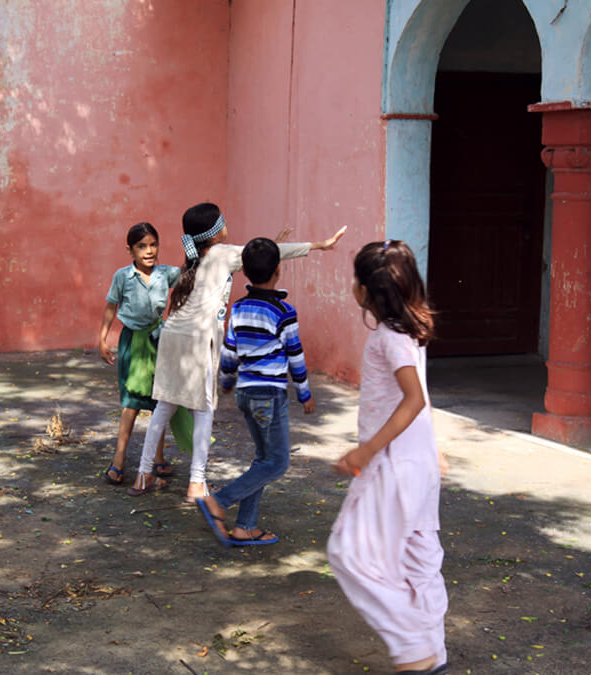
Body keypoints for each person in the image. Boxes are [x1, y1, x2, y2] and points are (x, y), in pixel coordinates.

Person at [127, 202, 345, 502]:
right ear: (216, 232)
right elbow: (264, 257)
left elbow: (260, 255)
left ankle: (142, 474)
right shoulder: (223, 252)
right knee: (203, 412)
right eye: (222, 221)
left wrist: (275, 243)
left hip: (172, 336)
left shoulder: (195, 259)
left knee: (163, 408)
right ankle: (196, 483)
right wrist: (319, 245)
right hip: (197, 341)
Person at [326, 240, 449, 675]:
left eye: (356, 279)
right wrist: (432, 449)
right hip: (417, 466)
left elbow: (413, 399)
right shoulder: (411, 332)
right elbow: (422, 399)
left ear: (366, 292)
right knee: (419, 557)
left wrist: (365, 451)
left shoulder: (388, 338)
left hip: (393, 468)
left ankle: (414, 649)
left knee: (348, 553)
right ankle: (434, 653)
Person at [195, 237, 316, 547]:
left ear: (245, 272)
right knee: (277, 463)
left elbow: (230, 348)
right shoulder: (284, 312)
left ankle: (244, 527)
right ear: (278, 270)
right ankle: (219, 501)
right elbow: (295, 355)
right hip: (270, 394)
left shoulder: (239, 307)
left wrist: (226, 380)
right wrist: (304, 392)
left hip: (246, 393)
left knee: (263, 459)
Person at [98, 222, 193, 485]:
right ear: (130, 250)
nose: (149, 251)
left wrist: (194, 248)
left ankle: (158, 458)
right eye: (142, 246)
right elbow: (110, 306)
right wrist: (103, 339)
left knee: (159, 402)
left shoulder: (165, 274)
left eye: (153, 244)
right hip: (132, 343)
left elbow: (190, 271)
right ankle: (118, 460)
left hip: (158, 341)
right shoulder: (122, 277)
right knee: (130, 403)